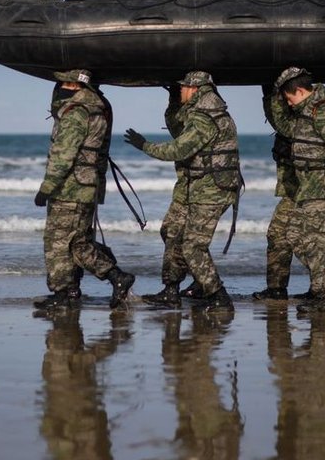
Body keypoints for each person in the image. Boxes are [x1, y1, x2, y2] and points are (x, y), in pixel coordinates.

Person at [124, 71, 241, 311]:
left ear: (195, 89)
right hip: (194, 185)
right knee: (172, 231)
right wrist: (172, 101)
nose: (180, 90)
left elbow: (178, 149)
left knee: (193, 246)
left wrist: (144, 145)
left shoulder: (205, 118)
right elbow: (177, 127)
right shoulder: (197, 112)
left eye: (182, 88)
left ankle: (218, 294)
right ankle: (171, 290)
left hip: (211, 190)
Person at [251, 67, 325, 311]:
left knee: (317, 243)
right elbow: (282, 124)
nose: (287, 102)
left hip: (323, 189)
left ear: (300, 90)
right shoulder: (301, 115)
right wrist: (270, 95)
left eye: (288, 97)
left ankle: (322, 295)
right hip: (306, 189)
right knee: (295, 238)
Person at [33, 69, 135, 310]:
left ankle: (103, 280)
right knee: (78, 241)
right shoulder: (98, 108)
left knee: (60, 242)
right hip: (87, 185)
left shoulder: (76, 112)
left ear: (73, 85)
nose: (59, 88)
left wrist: (46, 188)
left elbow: (63, 155)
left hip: (70, 188)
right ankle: (72, 290)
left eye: (63, 83)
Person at [251, 85, 300, 301]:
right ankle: (277, 289)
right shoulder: (294, 117)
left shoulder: (304, 118)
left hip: (306, 190)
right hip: (294, 189)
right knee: (277, 236)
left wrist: (267, 94)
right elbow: (278, 121)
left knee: (300, 240)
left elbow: (280, 121)